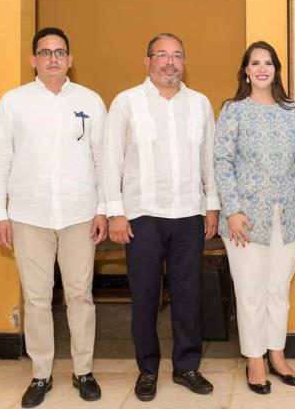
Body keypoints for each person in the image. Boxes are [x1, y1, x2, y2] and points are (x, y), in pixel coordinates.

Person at [0, 27, 107, 407]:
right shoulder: (13, 102)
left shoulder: (90, 100)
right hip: (28, 215)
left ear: (70, 59)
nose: (53, 58)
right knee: (37, 299)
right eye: (45, 52)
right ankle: (40, 374)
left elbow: (104, 161)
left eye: (60, 52)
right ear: (33, 60)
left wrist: (104, 209)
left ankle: (83, 370)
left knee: (79, 296)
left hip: (79, 215)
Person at [102, 33, 220, 402]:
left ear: (185, 62)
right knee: (145, 295)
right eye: (162, 55)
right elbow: (110, 161)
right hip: (142, 216)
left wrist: (211, 204)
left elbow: (209, 159)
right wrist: (116, 212)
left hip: (188, 213)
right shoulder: (126, 102)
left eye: (178, 56)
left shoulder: (200, 104)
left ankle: (187, 366)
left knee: (188, 294)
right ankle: (147, 369)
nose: (170, 62)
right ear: (148, 60)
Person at [214, 41, 295, 395]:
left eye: (268, 63)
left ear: (276, 70)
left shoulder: (293, 111)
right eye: (255, 63)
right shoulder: (233, 110)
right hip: (246, 218)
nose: (261, 69)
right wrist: (233, 212)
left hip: (289, 216)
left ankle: (277, 354)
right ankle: (254, 359)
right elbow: (222, 163)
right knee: (250, 291)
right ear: (245, 70)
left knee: (278, 288)